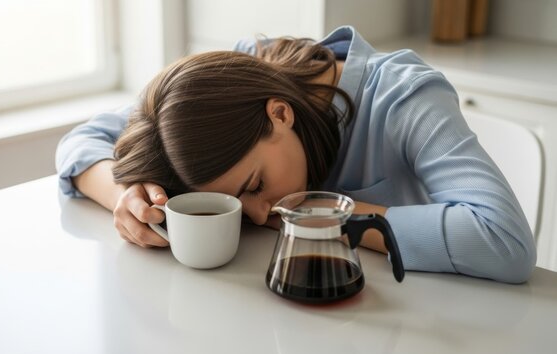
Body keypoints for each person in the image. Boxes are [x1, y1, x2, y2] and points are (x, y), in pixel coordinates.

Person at [56, 26, 536, 283]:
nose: (259, 214)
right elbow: (80, 142)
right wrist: (124, 195)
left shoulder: (404, 98)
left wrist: (320, 213)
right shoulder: (234, 79)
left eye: (255, 187)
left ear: (280, 114)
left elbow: (505, 244)